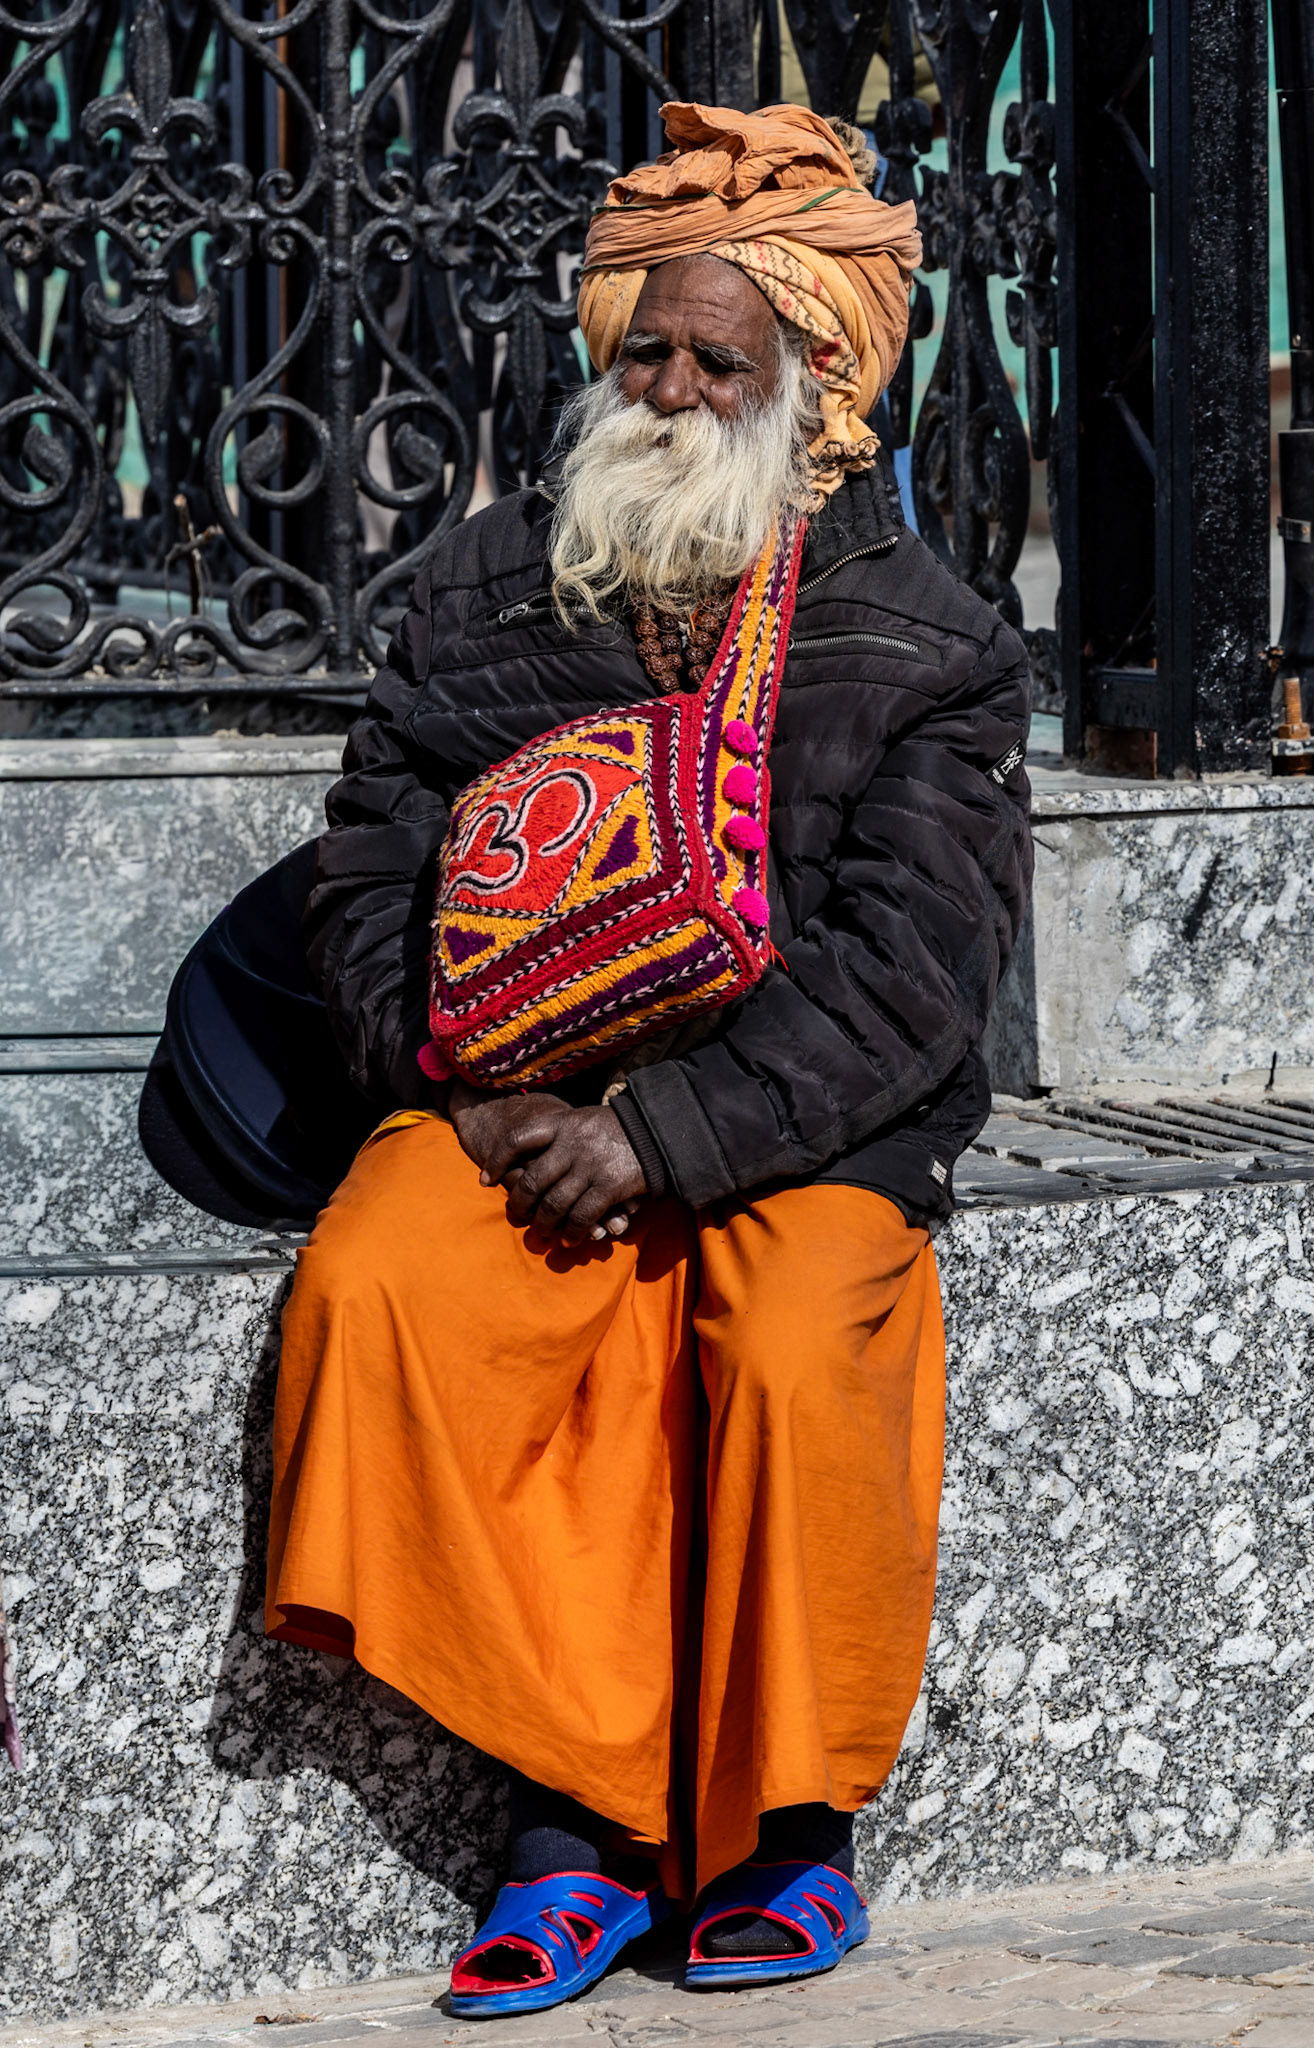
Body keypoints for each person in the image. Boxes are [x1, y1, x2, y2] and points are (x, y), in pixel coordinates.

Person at [264, 101, 1032, 2015]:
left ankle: (779, 1835)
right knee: (387, 1283)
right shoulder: (480, 586)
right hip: (505, 1086)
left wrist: (668, 1134)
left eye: (721, 357)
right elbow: (365, 865)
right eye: (645, 348)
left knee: (784, 1332)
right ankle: (574, 1824)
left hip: (805, 1116)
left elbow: (914, 973)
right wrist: (459, 1081)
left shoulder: (921, 633)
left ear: (820, 384)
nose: (674, 387)